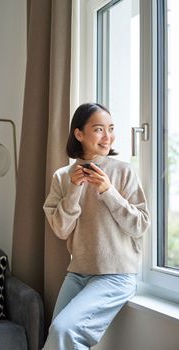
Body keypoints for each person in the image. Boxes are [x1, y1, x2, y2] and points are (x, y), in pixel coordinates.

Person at [43, 102, 150, 350]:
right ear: (79, 134)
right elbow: (61, 229)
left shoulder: (123, 172)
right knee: (55, 333)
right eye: (99, 129)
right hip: (78, 272)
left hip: (116, 274)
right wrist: (73, 189)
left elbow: (140, 225)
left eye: (111, 128)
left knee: (63, 330)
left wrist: (107, 190)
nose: (108, 136)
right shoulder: (62, 177)